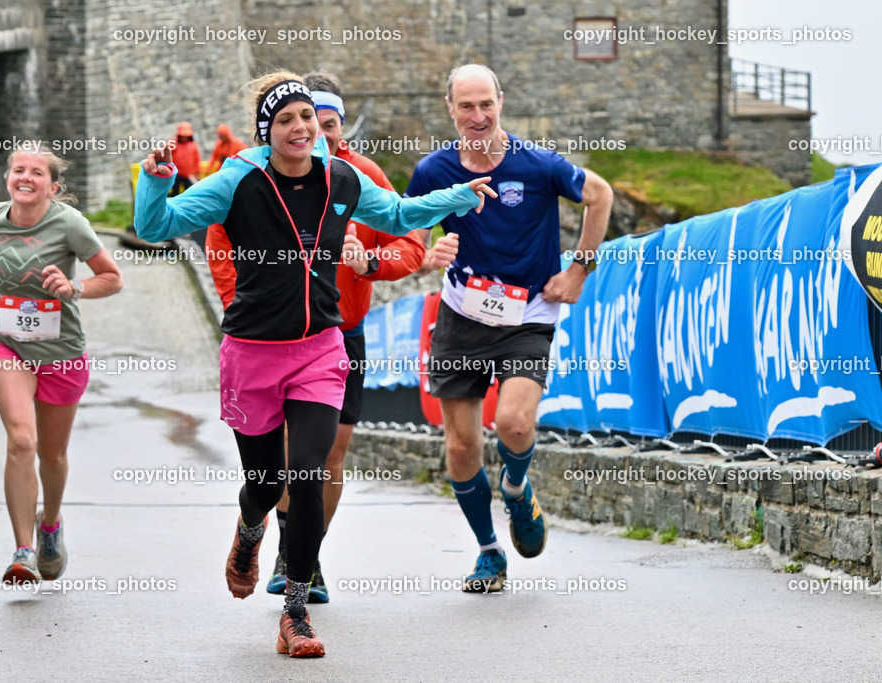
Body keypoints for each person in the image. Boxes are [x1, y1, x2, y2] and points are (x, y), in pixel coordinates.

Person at [134, 70, 495, 658]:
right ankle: (250, 534)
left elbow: (400, 217)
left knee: (307, 475)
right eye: (286, 120)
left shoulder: (342, 178)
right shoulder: (237, 181)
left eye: (306, 116)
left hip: (320, 351)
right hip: (252, 354)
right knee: (265, 481)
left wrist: (458, 197)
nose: (301, 128)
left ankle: (295, 611)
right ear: (266, 132)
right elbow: (156, 225)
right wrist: (156, 183)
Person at [406, 64, 612, 592]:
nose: (478, 117)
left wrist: (580, 269)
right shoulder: (433, 170)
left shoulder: (538, 165)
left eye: (486, 104)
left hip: (528, 316)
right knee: (460, 448)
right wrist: (431, 254)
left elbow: (601, 194)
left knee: (516, 424)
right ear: (449, 108)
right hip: (461, 315)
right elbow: (406, 231)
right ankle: (489, 553)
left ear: (501, 101)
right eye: (466, 106)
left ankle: (517, 490)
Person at [0, 142, 123, 584]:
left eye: (36, 173)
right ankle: (23, 549)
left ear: (52, 185)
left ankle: (51, 524)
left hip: (62, 352)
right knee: (21, 440)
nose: (25, 177)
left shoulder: (69, 224)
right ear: (8, 179)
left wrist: (74, 286)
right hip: (6, 346)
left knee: (52, 454)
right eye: (18, 170)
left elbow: (112, 278)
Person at [170, 121, 203, 196]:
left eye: (186, 136)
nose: (184, 138)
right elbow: (167, 155)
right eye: (182, 135)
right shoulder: (173, 143)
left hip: (188, 174)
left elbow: (197, 160)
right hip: (176, 174)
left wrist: (198, 173)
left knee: (188, 193)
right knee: (175, 193)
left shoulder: (193, 145)